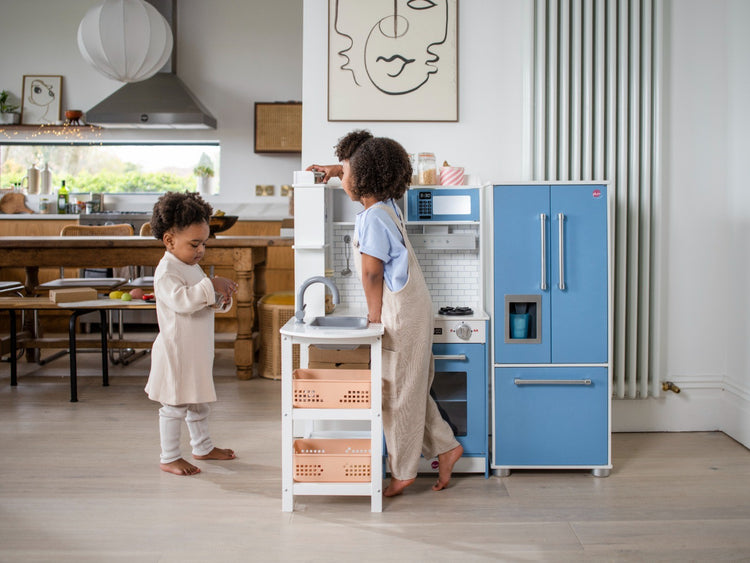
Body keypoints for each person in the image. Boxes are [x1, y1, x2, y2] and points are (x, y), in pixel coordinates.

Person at [307, 130, 463, 497]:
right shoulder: (388, 205)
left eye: (346, 171)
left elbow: (371, 271)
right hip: (414, 308)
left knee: (399, 395)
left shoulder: (372, 218)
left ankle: (404, 471)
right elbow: (367, 164)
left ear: (362, 177)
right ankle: (447, 447)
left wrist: (374, 317)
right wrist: (337, 167)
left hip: (401, 315)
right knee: (410, 386)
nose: (341, 176)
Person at [145, 192, 238, 476]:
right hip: (176, 351)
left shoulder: (189, 264)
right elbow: (183, 301)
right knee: (174, 405)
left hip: (195, 350)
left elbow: (201, 301)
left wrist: (219, 297)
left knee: (198, 402)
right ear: (169, 240)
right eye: (194, 244)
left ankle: (202, 446)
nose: (200, 250)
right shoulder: (166, 271)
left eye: (204, 244)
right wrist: (211, 284)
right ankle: (169, 456)